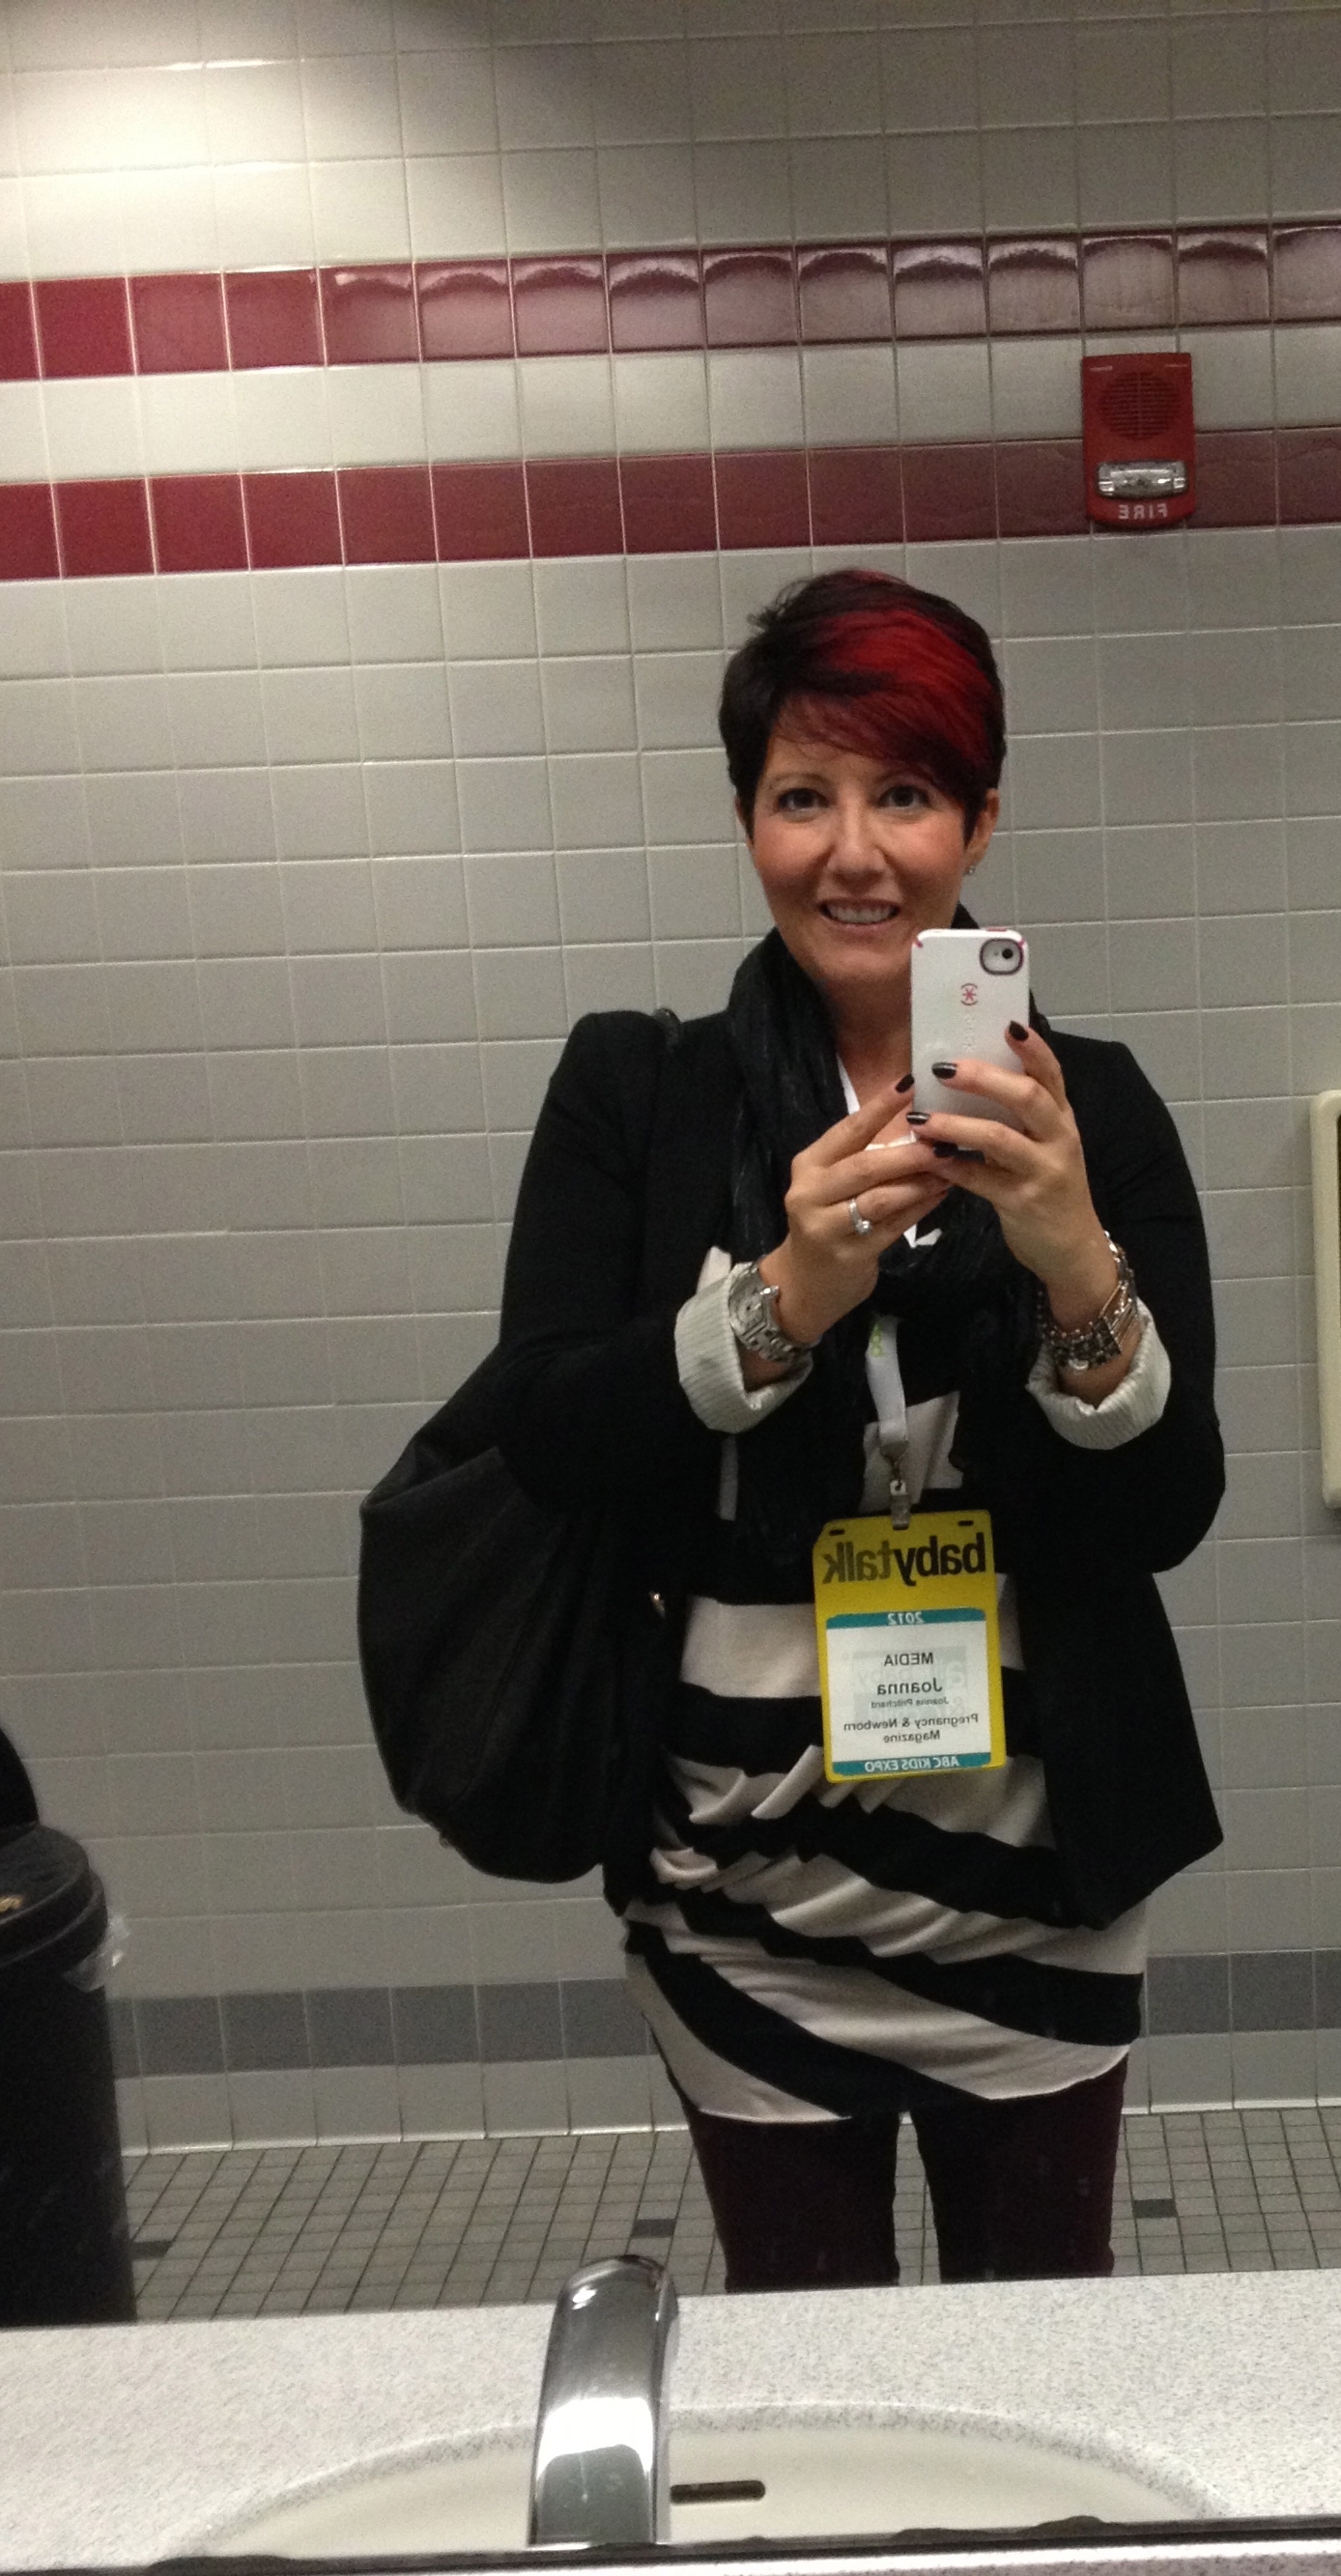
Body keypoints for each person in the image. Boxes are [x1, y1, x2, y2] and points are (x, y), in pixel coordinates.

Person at [494, 567, 1221, 2291]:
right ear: (746, 819)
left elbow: (1169, 1508)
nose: (854, 854)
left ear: (982, 820)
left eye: (904, 794)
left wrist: (1073, 1261)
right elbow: (545, 1433)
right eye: (800, 797)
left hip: (1038, 1877)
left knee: (1036, 2358)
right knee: (805, 2359)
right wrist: (782, 1300)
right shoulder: (640, 1096)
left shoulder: (1096, 1109)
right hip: (738, 1888)